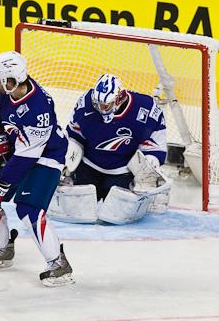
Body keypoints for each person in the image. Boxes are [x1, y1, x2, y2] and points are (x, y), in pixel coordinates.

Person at [0, 51, 74, 287]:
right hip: (17, 147)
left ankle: (58, 264)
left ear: (11, 80)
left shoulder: (38, 108)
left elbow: (27, 157)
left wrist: (1, 183)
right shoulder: (4, 89)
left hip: (47, 155)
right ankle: (3, 249)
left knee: (29, 209)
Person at [48, 73, 170, 225]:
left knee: (116, 215)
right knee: (76, 212)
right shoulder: (85, 103)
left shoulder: (146, 108)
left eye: (105, 105)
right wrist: (66, 164)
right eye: (97, 104)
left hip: (122, 171)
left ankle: (151, 196)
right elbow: (74, 135)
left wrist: (149, 166)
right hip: (89, 165)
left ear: (119, 99)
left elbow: (155, 144)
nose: (100, 108)